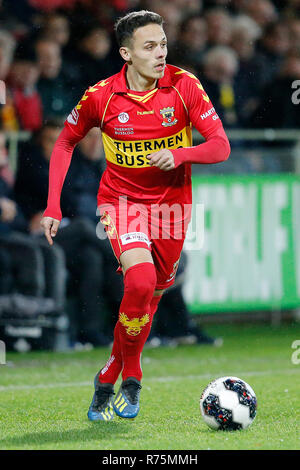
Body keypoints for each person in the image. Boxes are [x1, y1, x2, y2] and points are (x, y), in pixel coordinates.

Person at [40, 10, 230, 421]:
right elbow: (64, 144)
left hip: (173, 208)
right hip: (121, 202)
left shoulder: (184, 86)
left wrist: (180, 153)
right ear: (126, 53)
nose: (160, 53)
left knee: (150, 296)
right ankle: (133, 378)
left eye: (162, 44)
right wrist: (53, 205)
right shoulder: (101, 96)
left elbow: (220, 146)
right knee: (140, 279)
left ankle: (110, 370)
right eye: (149, 46)